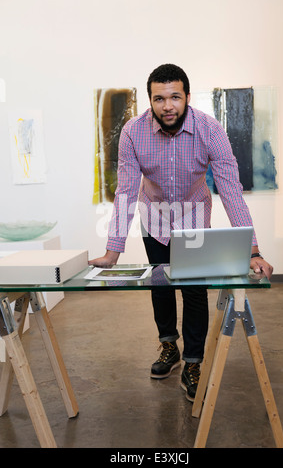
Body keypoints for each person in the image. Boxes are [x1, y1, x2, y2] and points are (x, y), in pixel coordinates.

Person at [89, 63, 273, 402]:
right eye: (159, 99)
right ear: (150, 101)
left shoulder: (210, 130)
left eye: (175, 96)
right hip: (154, 218)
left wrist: (253, 250)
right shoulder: (133, 131)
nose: (168, 106)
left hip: (193, 218)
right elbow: (127, 191)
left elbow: (231, 189)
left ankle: (193, 362)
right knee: (160, 286)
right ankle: (168, 347)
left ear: (187, 96)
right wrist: (113, 250)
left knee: (193, 290)